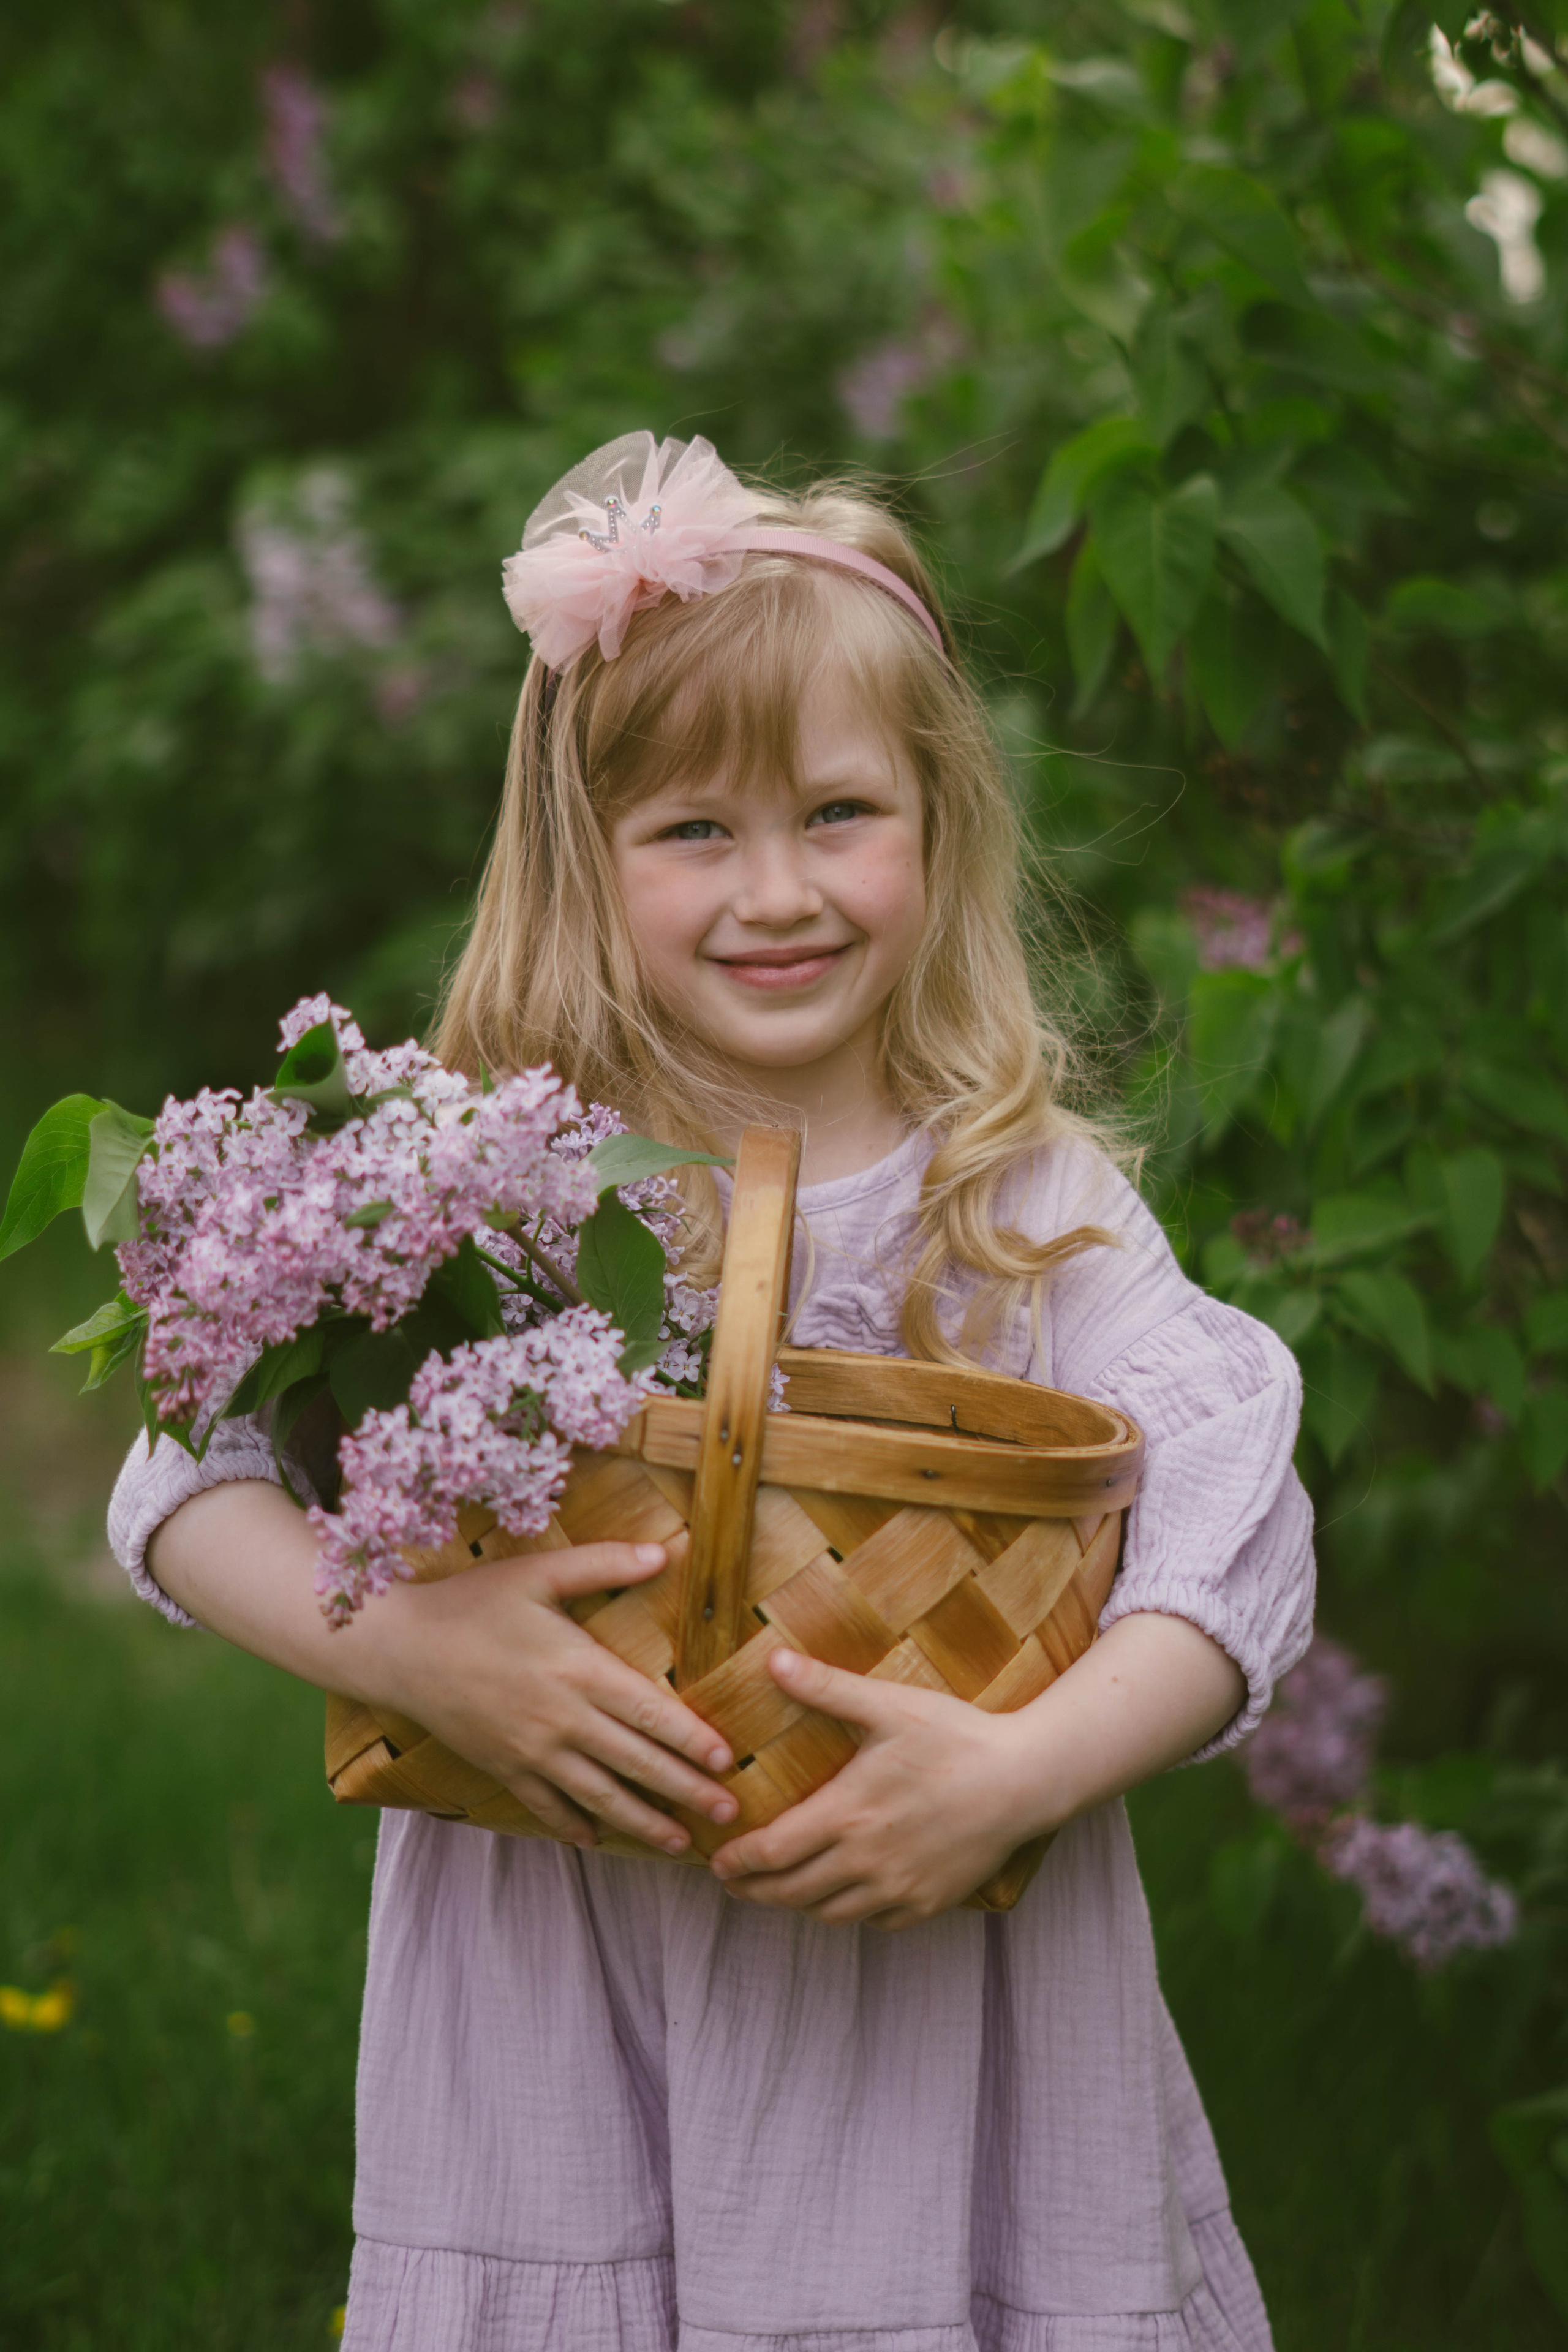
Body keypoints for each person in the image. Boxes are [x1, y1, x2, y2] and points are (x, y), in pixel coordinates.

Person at [109, 431, 1314, 2351]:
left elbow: (1235, 1514)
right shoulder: (480, 1174)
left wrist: (1022, 1773)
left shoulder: (1010, 1196)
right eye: (693, 832)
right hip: (552, 1980)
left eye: (840, 813)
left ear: (939, 824)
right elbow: (180, 1482)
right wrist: (415, 1650)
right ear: (586, 855)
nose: (777, 893)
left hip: (927, 1981)